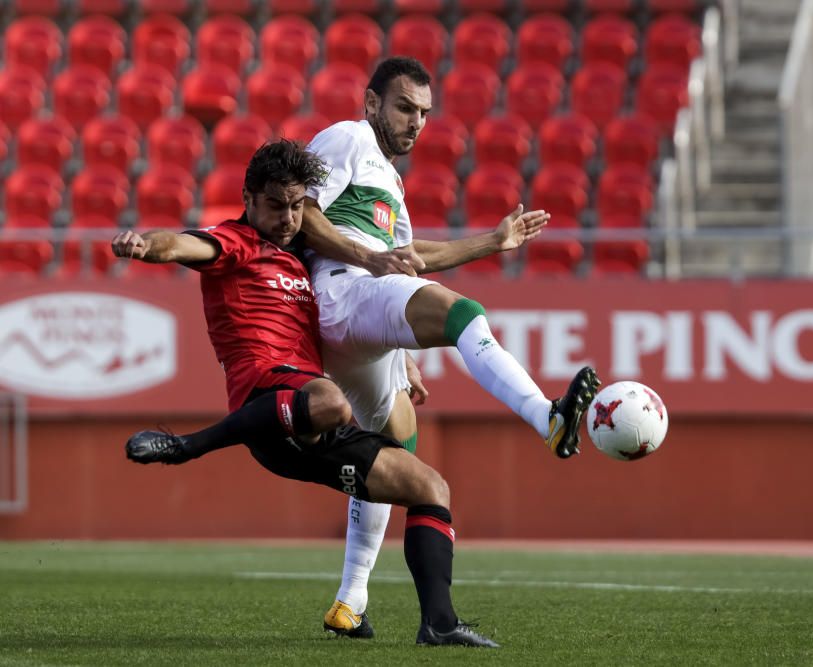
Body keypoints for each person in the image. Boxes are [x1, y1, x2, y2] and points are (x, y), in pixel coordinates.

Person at [112, 139, 499, 648]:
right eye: (276, 205)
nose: (289, 217)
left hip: (310, 428)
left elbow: (364, 306)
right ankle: (188, 446)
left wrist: (401, 356)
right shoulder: (236, 242)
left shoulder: (305, 263)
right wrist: (146, 246)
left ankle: (440, 623)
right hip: (267, 400)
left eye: (297, 206)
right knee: (331, 401)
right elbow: (186, 245)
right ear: (249, 200)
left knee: (430, 488)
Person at [297, 56, 602, 638]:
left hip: (366, 315)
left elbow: (413, 260)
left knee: (398, 447)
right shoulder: (347, 137)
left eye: (424, 114)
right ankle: (547, 418)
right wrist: (369, 259)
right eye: (404, 108)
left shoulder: (391, 181)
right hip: (340, 294)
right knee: (462, 312)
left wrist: (494, 240)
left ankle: (353, 602)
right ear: (371, 104)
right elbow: (304, 216)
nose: (415, 122)